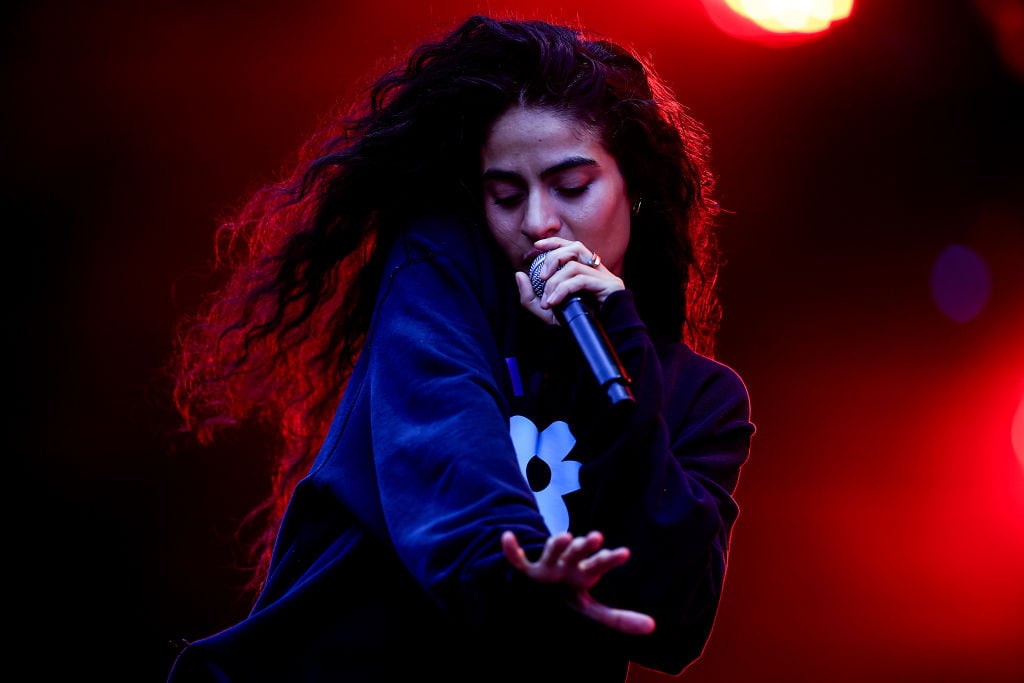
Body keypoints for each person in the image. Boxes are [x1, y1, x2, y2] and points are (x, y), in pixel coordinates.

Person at [165, 14, 755, 682]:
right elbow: (445, 439)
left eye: (571, 186)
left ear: (638, 192)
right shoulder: (443, 274)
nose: (537, 223)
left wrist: (623, 343)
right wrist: (513, 568)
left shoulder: (701, 398)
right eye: (506, 194)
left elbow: (674, 617)